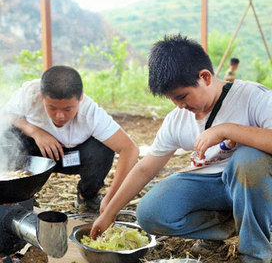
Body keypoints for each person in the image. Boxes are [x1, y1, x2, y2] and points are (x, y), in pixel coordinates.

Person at [91, 35, 272, 263]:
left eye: (182, 96)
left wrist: (227, 130)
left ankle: (255, 255)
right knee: (150, 213)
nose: (180, 106)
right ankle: (232, 224)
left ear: (205, 77)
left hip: (252, 183)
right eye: (173, 100)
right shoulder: (178, 119)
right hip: (210, 184)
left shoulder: (253, 97)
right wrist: (110, 212)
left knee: (249, 159)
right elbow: (145, 169)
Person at [3, 65, 139, 212]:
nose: (59, 116)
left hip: (72, 158)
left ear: (80, 97)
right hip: (37, 155)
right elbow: (7, 115)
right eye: (52, 108)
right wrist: (36, 132)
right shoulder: (30, 94)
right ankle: (21, 197)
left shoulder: (90, 113)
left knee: (103, 146)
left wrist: (112, 199)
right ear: (42, 96)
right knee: (8, 135)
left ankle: (87, 196)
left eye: (68, 109)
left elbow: (129, 149)